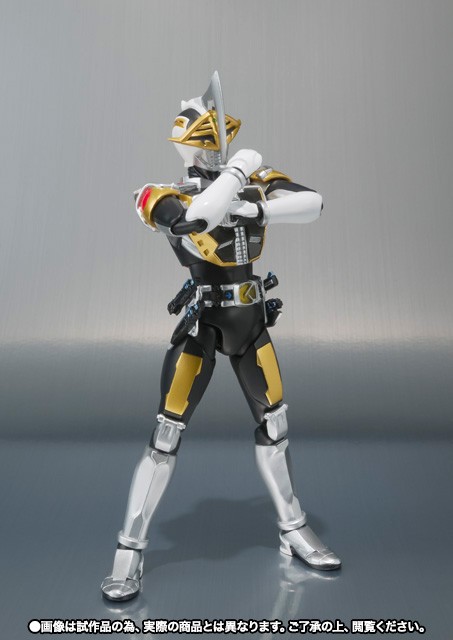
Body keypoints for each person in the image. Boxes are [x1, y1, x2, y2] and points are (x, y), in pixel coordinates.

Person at [101, 71, 341, 602]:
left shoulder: (255, 184)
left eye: (222, 141)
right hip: (202, 327)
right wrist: (236, 172)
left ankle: (293, 527)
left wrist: (257, 206)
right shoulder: (157, 194)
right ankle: (129, 550)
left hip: (251, 322)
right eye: (208, 142)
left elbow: (315, 203)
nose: (215, 150)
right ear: (187, 143)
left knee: (275, 425)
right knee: (166, 435)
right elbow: (194, 221)